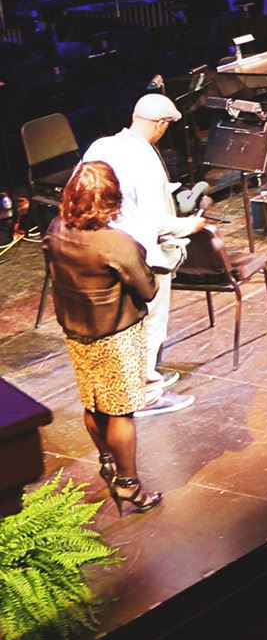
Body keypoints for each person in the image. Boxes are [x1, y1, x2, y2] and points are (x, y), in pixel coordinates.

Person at [43, 161, 162, 514]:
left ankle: (108, 462)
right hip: (115, 335)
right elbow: (148, 288)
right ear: (112, 200)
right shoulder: (115, 243)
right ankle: (129, 485)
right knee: (121, 411)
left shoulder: (56, 229)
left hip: (76, 331)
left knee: (94, 402)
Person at [80, 93, 202, 413]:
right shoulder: (145, 160)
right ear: (161, 125)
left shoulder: (101, 146)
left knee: (125, 325)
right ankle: (146, 392)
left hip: (104, 251)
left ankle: (137, 377)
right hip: (143, 256)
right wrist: (189, 225)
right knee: (150, 321)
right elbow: (156, 222)